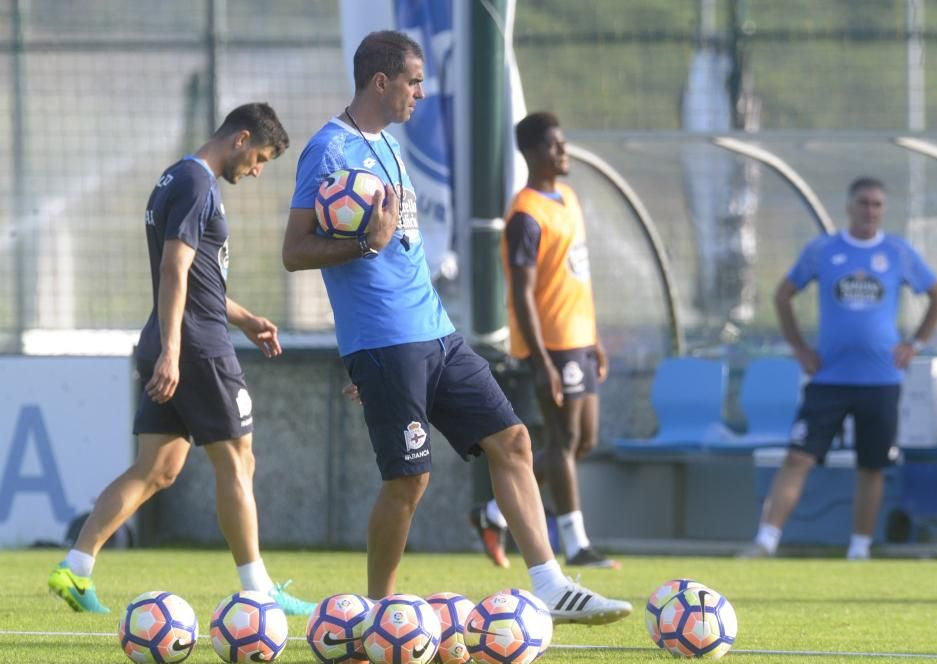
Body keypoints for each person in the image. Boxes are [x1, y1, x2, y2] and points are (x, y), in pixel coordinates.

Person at [282, 30, 631, 625]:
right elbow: (294, 251)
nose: (421, 93)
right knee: (410, 480)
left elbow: (403, 246)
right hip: (386, 341)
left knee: (515, 440)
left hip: (437, 333)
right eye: (414, 82)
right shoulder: (329, 150)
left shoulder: (389, 146)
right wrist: (365, 247)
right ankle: (378, 613)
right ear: (382, 81)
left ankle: (549, 582)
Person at [48, 103, 316, 616]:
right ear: (240, 139)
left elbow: (197, 278)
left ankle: (75, 568)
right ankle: (258, 589)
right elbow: (174, 270)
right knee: (239, 458)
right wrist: (174, 351)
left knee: (157, 468)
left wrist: (244, 318)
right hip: (194, 348)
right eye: (259, 158)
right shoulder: (198, 184)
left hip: (174, 339)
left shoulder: (171, 178)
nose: (257, 170)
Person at [742, 177, 937, 560]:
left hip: (881, 380)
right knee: (798, 457)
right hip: (829, 379)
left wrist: (914, 344)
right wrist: (800, 347)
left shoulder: (897, 252)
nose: (870, 211)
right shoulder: (823, 250)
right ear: (849, 207)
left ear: (883, 210)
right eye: (864, 203)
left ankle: (859, 548)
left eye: (877, 205)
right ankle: (766, 541)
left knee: (871, 466)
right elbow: (783, 294)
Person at [469, 112, 619, 570]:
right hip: (550, 343)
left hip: (578, 339)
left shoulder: (567, 199)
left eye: (563, 143)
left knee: (582, 441)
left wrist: (593, 338)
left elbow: (576, 277)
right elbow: (522, 292)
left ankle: (493, 512)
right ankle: (576, 544)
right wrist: (541, 359)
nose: (563, 152)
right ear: (532, 153)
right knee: (563, 438)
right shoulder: (526, 216)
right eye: (554, 146)